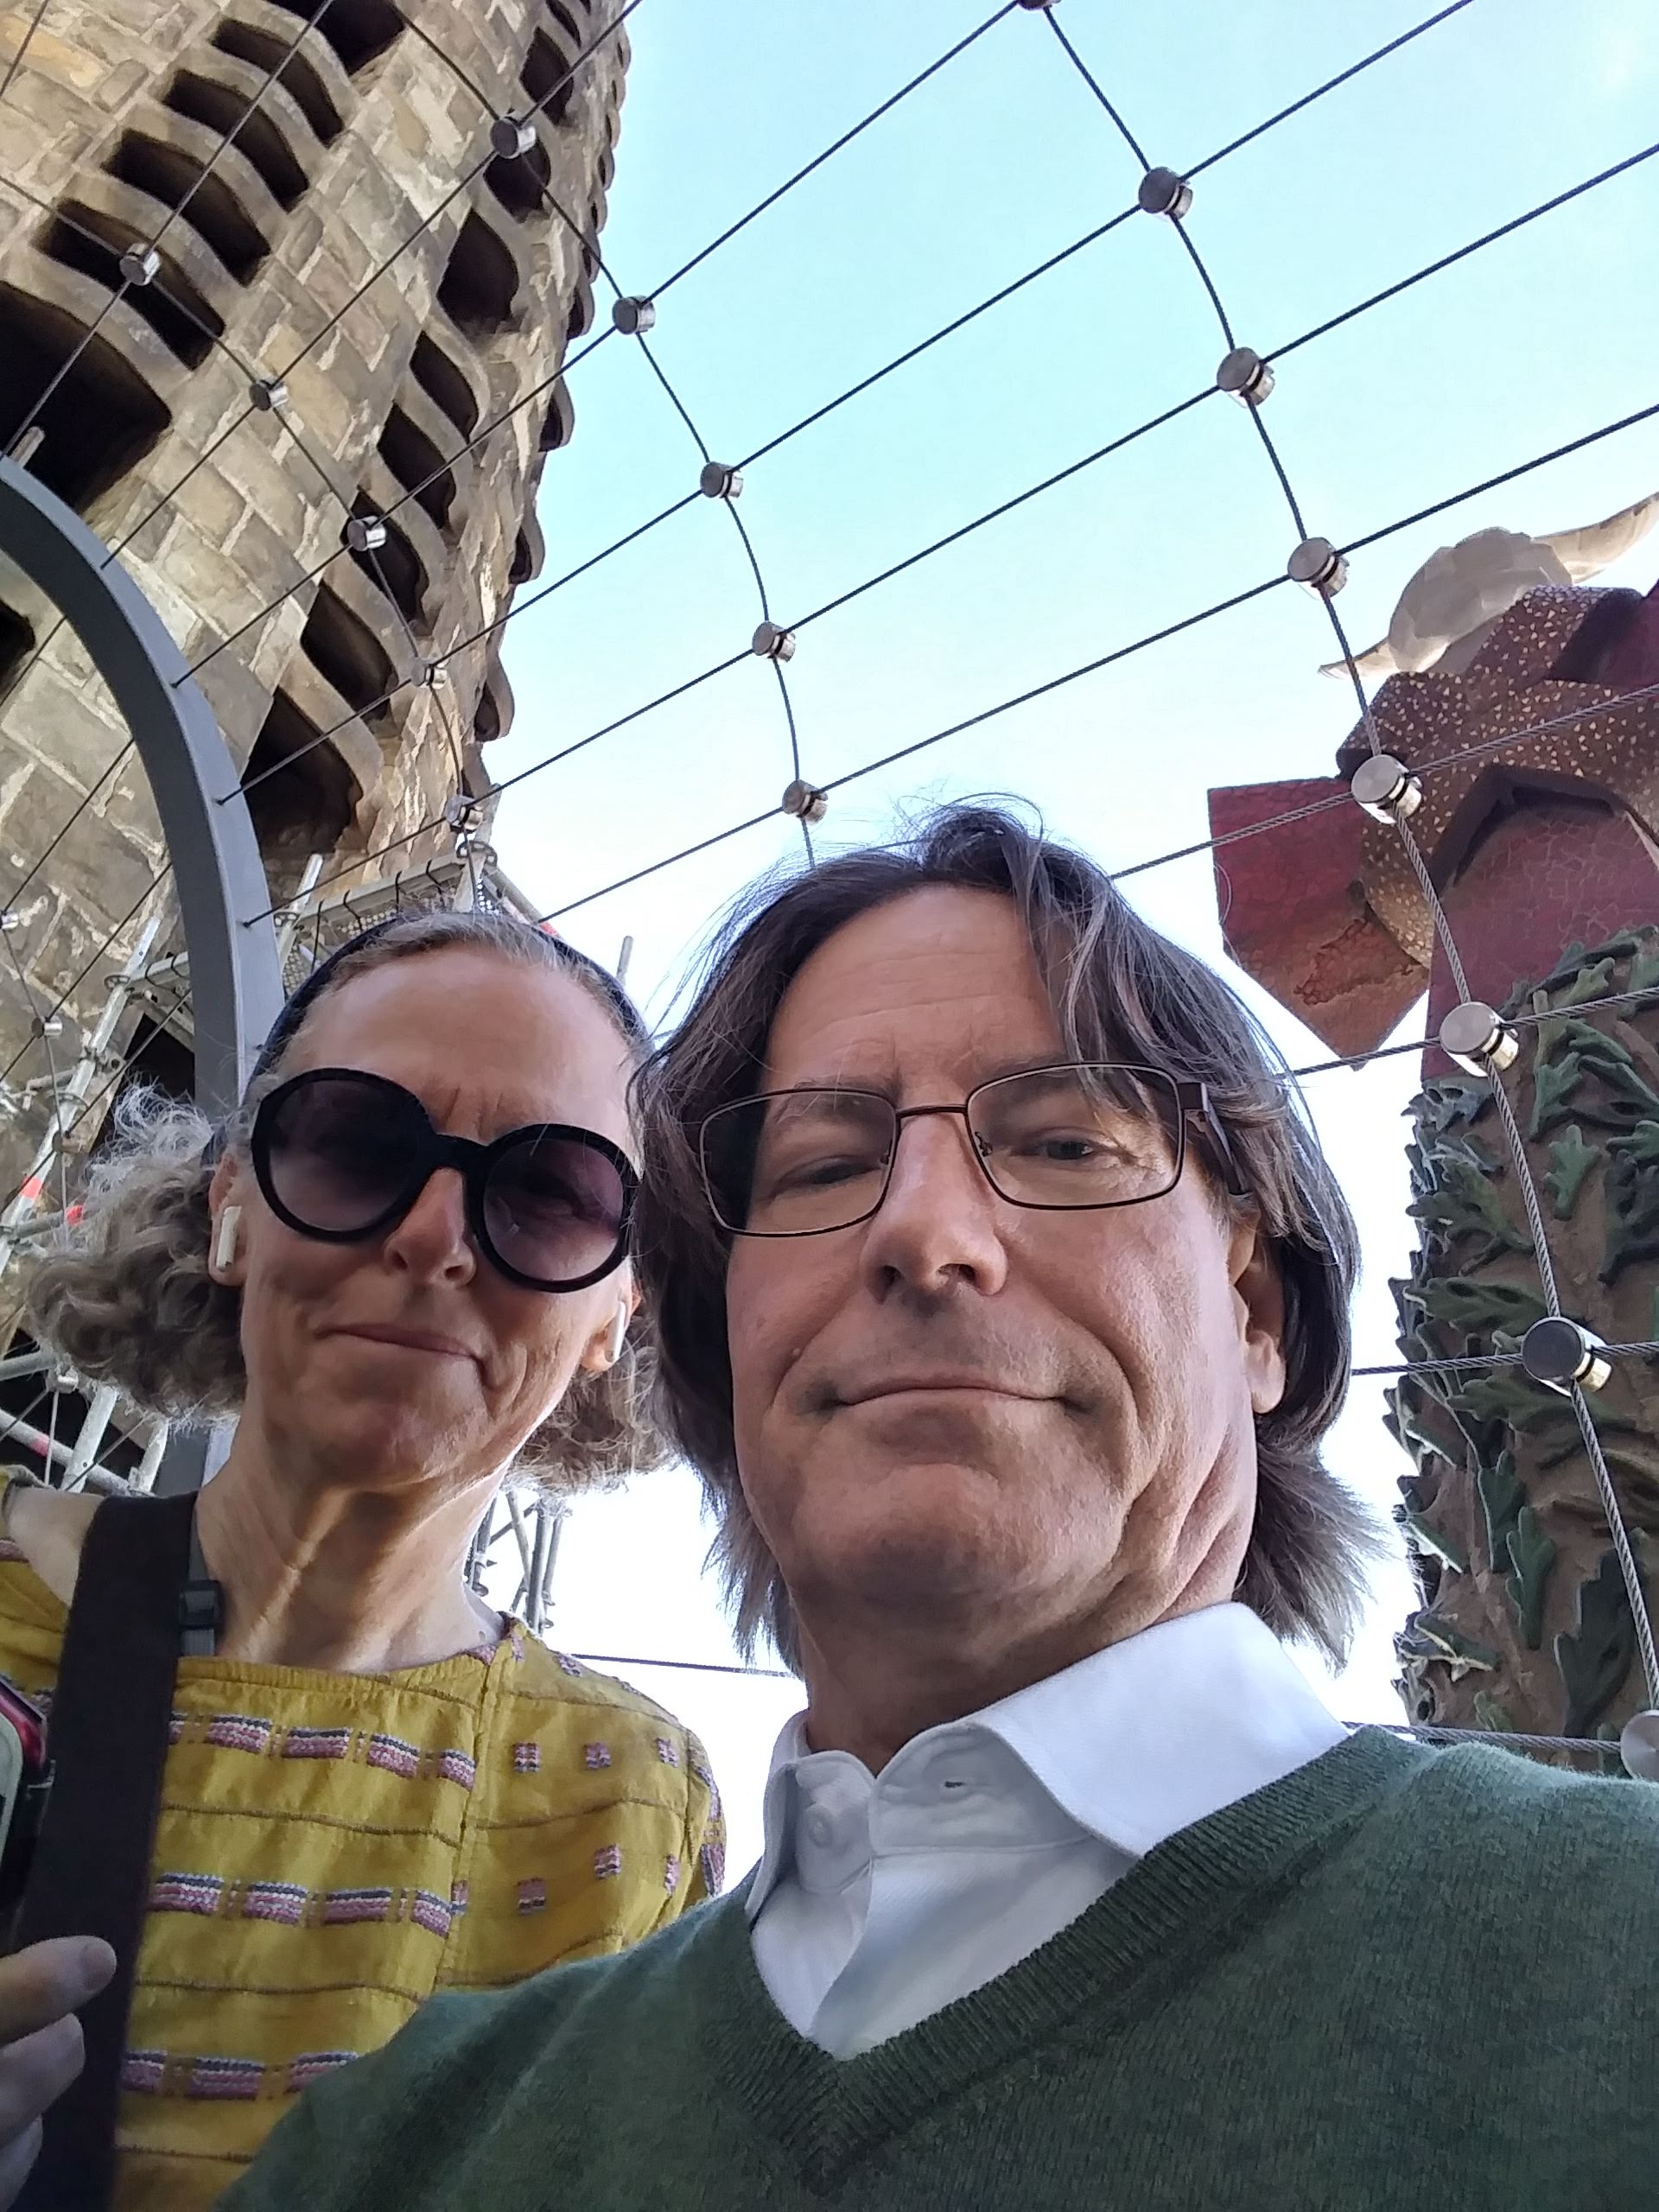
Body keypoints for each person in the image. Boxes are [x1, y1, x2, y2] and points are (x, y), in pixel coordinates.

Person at [223, 807, 1657, 2212]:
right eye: (823, 1167)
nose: (921, 1228)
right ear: (730, 1340)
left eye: (1064, 1145)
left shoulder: (1614, 1958)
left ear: (1257, 1311)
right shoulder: (400, 2145)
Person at [0, 907, 721, 2212]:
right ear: (232, 1207)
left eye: (550, 1193)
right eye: (354, 1144)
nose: (435, 1235)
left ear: (615, 1311)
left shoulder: (626, 1807)